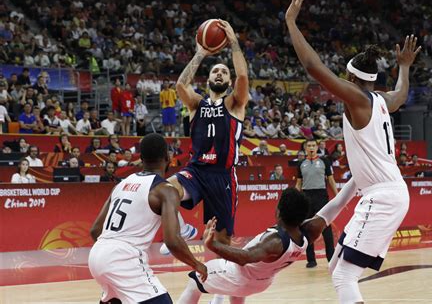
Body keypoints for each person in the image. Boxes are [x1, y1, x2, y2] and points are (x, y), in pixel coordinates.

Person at [286, 0, 420, 302]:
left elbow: (312, 65)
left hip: (383, 196)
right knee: (338, 269)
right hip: (387, 191)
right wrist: (404, 67)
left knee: (344, 274)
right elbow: (400, 95)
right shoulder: (383, 101)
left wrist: (291, 22)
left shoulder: (358, 99)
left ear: (350, 78)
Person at [164, 19, 249, 292]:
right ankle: (183, 231)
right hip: (197, 171)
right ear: (209, 78)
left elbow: (244, 78)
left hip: (223, 177)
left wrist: (233, 42)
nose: (221, 74)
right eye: (216, 71)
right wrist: (202, 52)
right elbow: (180, 85)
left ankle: (222, 293)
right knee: (166, 190)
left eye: (225, 71)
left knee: (222, 244)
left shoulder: (234, 103)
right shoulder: (196, 103)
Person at [178, 183, 357, 303]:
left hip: (240, 276)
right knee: (237, 291)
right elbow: (336, 204)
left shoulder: (275, 241)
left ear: (279, 211)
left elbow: (245, 257)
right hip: (261, 282)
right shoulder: (308, 232)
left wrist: (212, 245)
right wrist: (357, 178)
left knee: (194, 281)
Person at [89, 133, 207, 303]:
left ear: (141, 159)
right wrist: (197, 264)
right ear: (168, 158)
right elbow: (172, 241)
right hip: (123, 258)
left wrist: (107, 255)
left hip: (97, 254)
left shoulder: (122, 184)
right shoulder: (165, 190)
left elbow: (95, 231)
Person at [295, 139, 338, 268]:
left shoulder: (324, 161)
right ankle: (311, 260)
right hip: (306, 197)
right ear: (305, 148)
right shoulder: (301, 164)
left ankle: (331, 259)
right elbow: (298, 183)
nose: (311, 147)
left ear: (317, 147)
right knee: (307, 229)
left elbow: (331, 180)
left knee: (326, 228)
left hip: (321, 197)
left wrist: (338, 196)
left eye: (313, 145)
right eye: (309, 146)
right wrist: (295, 198)